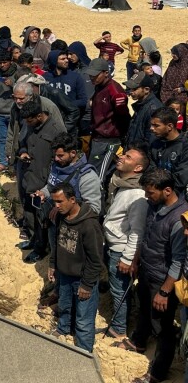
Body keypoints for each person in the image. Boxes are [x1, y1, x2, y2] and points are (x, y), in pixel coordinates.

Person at [127, 169, 188, 383]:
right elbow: (146, 237)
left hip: (162, 280)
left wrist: (164, 291)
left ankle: (158, 372)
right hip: (147, 271)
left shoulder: (179, 220)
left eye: (151, 192)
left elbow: (178, 261)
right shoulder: (156, 206)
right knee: (144, 310)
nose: (146, 196)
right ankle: (139, 342)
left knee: (163, 329)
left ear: (167, 190)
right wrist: (136, 260)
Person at [47, 182, 103, 352]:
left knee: (83, 319)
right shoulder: (61, 216)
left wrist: (87, 284)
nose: (56, 206)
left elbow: (96, 260)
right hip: (64, 275)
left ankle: (84, 351)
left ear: (72, 199)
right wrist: (52, 264)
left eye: (59, 202)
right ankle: (63, 329)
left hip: (82, 279)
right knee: (64, 307)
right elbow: (57, 242)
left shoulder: (89, 225)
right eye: (54, 202)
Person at [100, 145, 149, 341]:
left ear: (137, 169)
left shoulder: (137, 195)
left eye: (128, 157)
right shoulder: (122, 184)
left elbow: (137, 232)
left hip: (121, 251)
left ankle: (119, 329)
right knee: (118, 288)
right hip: (112, 244)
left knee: (119, 290)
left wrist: (128, 258)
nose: (121, 157)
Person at [17, 96, 66, 262]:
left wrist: (48, 187)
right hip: (30, 178)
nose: (27, 124)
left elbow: (61, 161)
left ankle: (41, 248)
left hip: (44, 184)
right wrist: (23, 152)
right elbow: (22, 142)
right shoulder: (31, 124)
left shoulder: (56, 130)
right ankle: (34, 240)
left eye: (30, 121)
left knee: (41, 218)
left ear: (39, 116)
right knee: (30, 213)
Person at [85, 58, 130, 172]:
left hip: (108, 140)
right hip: (97, 137)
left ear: (106, 73)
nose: (92, 78)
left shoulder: (115, 91)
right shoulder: (99, 86)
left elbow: (124, 116)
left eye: (95, 75)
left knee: (99, 173)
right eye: (90, 75)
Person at [149, 107, 188, 191]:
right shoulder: (155, 144)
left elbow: (181, 179)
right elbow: (151, 171)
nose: (151, 128)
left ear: (170, 126)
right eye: (151, 125)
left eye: (156, 125)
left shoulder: (184, 146)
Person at [0, 49, 19, 172]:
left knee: (14, 139)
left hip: (13, 111)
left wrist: (13, 84)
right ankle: (4, 163)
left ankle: (14, 164)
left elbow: (24, 89)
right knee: (2, 138)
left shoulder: (17, 73)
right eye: (0, 62)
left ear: (10, 61)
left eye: (4, 62)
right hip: (0, 110)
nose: (2, 65)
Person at [125, 72, 163, 147]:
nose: (131, 92)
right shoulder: (141, 105)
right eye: (131, 89)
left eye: (135, 89)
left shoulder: (153, 109)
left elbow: (152, 139)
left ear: (146, 90)